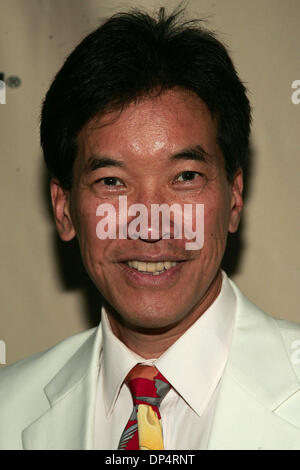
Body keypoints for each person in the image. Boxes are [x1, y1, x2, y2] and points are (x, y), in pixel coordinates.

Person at [1, 7, 300, 451]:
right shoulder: (8, 407)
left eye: (185, 177)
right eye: (112, 182)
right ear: (63, 209)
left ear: (234, 197)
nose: (152, 223)